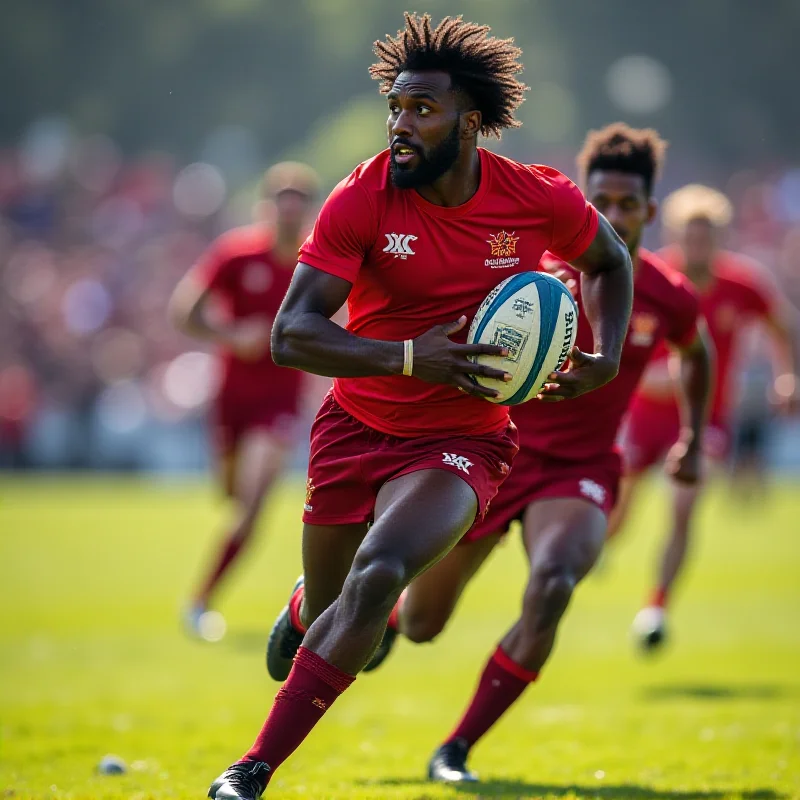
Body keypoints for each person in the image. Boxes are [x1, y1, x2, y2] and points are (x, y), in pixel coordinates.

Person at [208, 14, 633, 799]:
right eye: (396, 108)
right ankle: (310, 609)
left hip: (464, 440)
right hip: (353, 426)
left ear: (470, 123)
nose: (402, 125)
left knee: (380, 576)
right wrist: (411, 358)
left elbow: (609, 260)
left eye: (422, 111)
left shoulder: (537, 198)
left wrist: (604, 358)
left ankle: (250, 769)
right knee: (340, 604)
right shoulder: (362, 195)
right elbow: (291, 335)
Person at [363, 123, 713, 783]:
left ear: (650, 211)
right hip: (498, 458)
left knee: (552, 585)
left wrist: (693, 438)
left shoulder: (664, 292)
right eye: (601, 201)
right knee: (421, 625)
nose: (612, 216)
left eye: (627, 205)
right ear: (584, 199)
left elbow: (698, 353)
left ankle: (456, 749)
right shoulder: (532, 278)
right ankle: (354, 611)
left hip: (579, 472)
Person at [608, 183, 799, 650]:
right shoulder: (650, 277)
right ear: (673, 234)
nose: (697, 246)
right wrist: (645, 377)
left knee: (682, 507)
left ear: (719, 237)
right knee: (619, 515)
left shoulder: (743, 284)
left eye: (706, 236)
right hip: (645, 416)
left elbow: (783, 326)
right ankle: (584, 557)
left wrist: (787, 376)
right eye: (688, 236)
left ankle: (656, 607)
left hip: (702, 419)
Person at [168, 162, 320, 641]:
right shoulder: (236, 254)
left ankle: (200, 601)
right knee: (233, 496)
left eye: (299, 207)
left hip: (279, 404)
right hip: (230, 401)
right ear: (269, 207)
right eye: (282, 204)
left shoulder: (316, 265)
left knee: (252, 505)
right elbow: (184, 312)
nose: (289, 215)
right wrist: (232, 335)